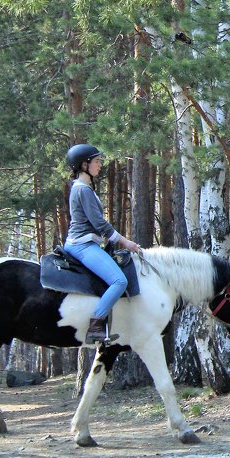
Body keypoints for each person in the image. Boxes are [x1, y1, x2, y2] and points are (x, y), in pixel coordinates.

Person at [64, 143, 141, 344]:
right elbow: (99, 223)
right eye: (96, 162)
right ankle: (96, 327)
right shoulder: (83, 190)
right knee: (119, 281)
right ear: (84, 165)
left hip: (86, 243)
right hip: (82, 245)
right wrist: (125, 242)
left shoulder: (83, 188)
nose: (100, 165)